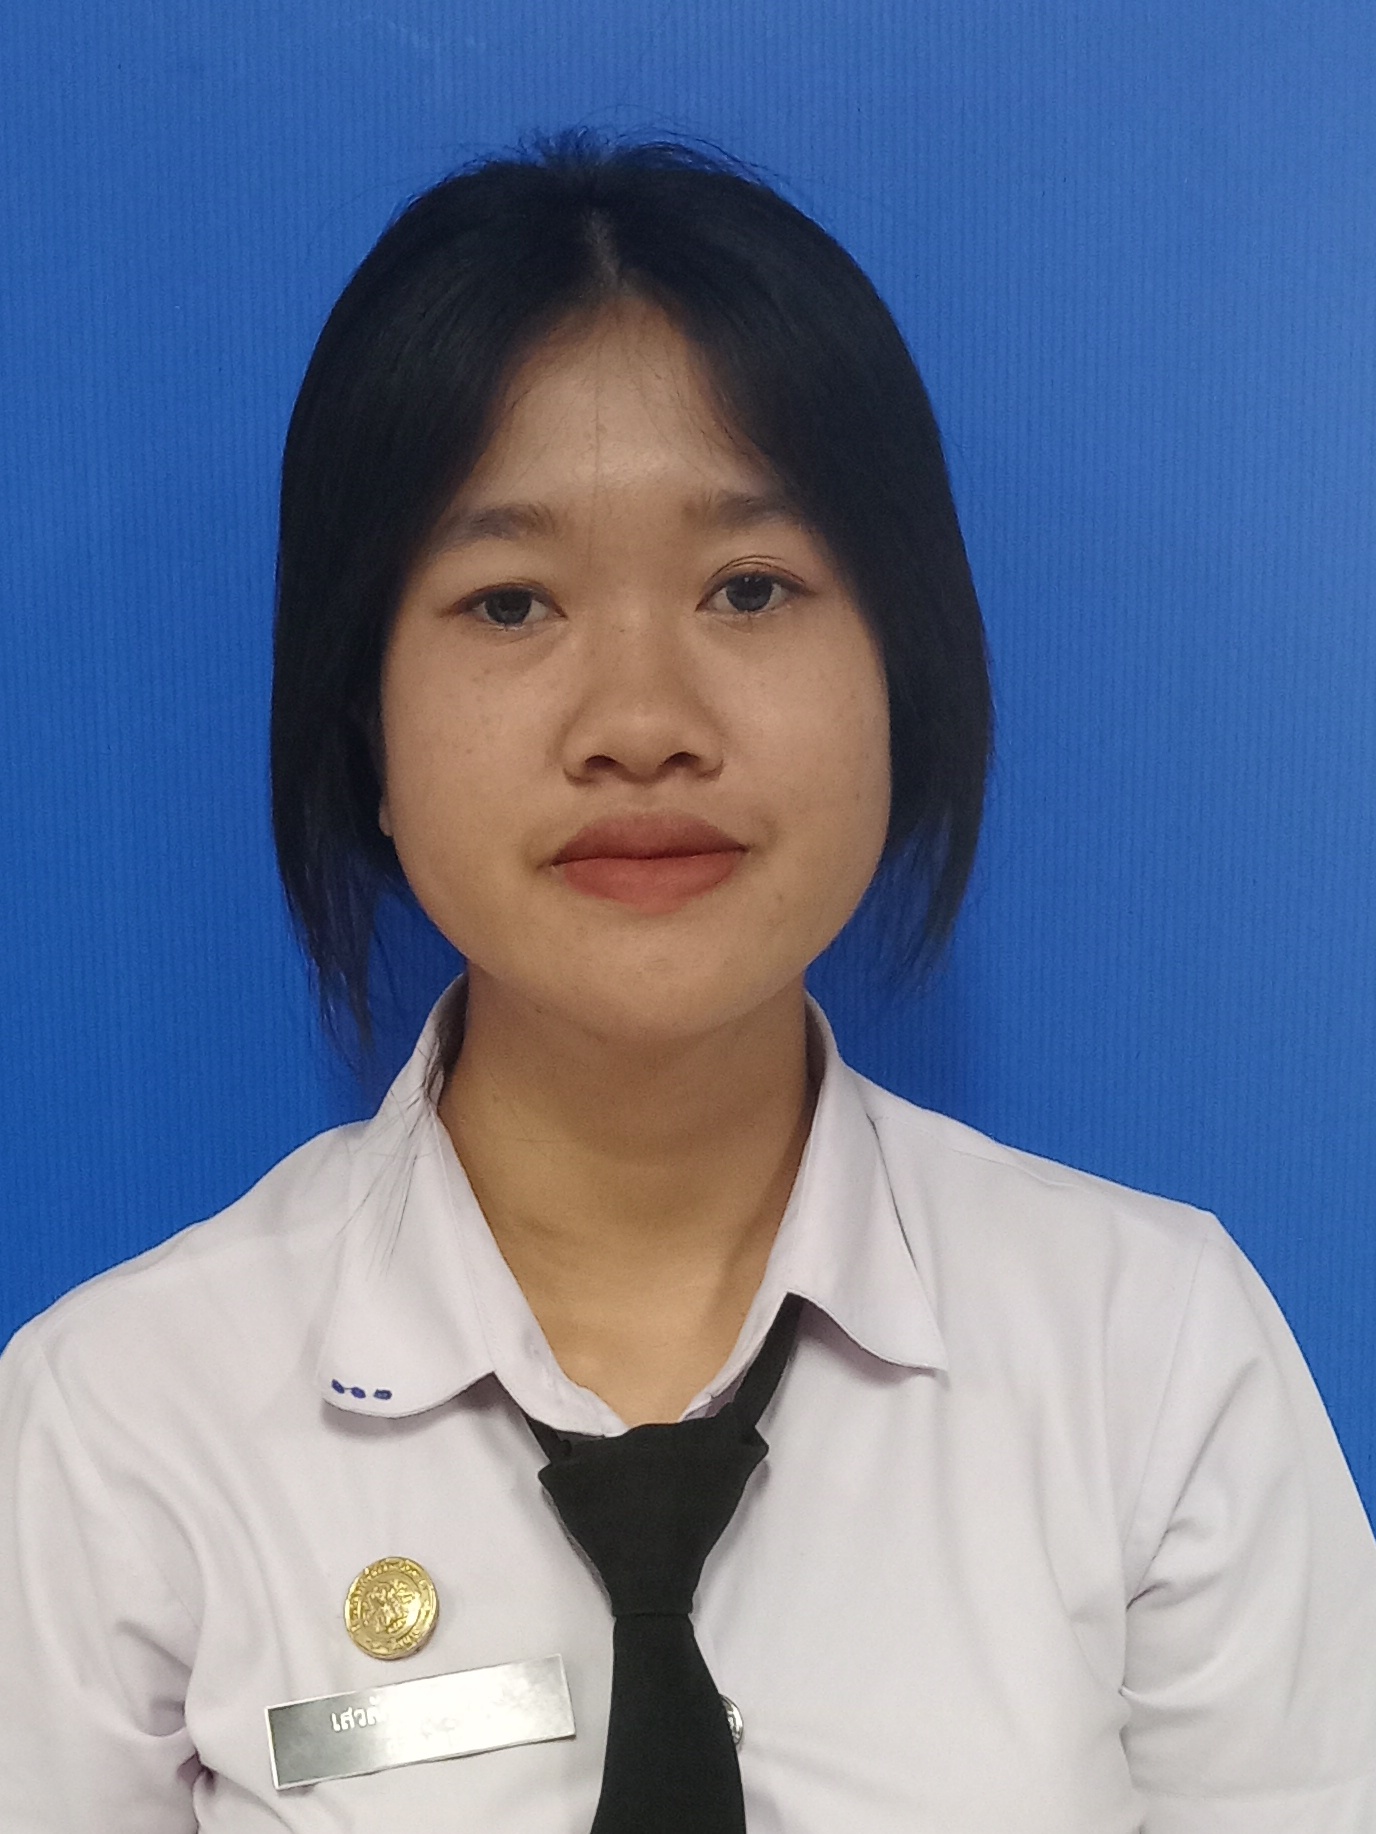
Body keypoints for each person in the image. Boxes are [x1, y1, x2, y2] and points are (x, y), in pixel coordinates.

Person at [1, 130, 1373, 1834]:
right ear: (364, 724)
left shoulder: (1148, 1356)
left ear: (903, 673)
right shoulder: (120, 1426)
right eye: (511, 602)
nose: (642, 720)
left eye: (751, 587)